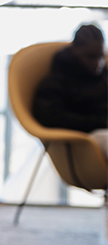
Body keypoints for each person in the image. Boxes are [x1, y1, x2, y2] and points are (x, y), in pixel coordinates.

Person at [32, 24, 108, 155]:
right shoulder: (55, 82)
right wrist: (100, 122)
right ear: (74, 51)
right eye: (90, 57)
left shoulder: (103, 76)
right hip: (85, 138)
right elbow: (51, 118)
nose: (97, 64)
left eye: (101, 57)